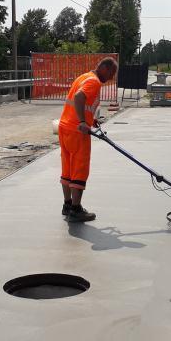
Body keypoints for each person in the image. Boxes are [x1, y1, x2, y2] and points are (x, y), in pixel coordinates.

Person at [58, 57, 119, 223]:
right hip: (77, 131)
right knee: (80, 168)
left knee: (68, 168)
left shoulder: (83, 77)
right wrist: (83, 122)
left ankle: (67, 205)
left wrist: (90, 119)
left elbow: (80, 104)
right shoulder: (94, 82)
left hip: (65, 127)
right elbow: (79, 97)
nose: (112, 77)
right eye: (112, 73)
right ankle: (76, 210)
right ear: (104, 68)